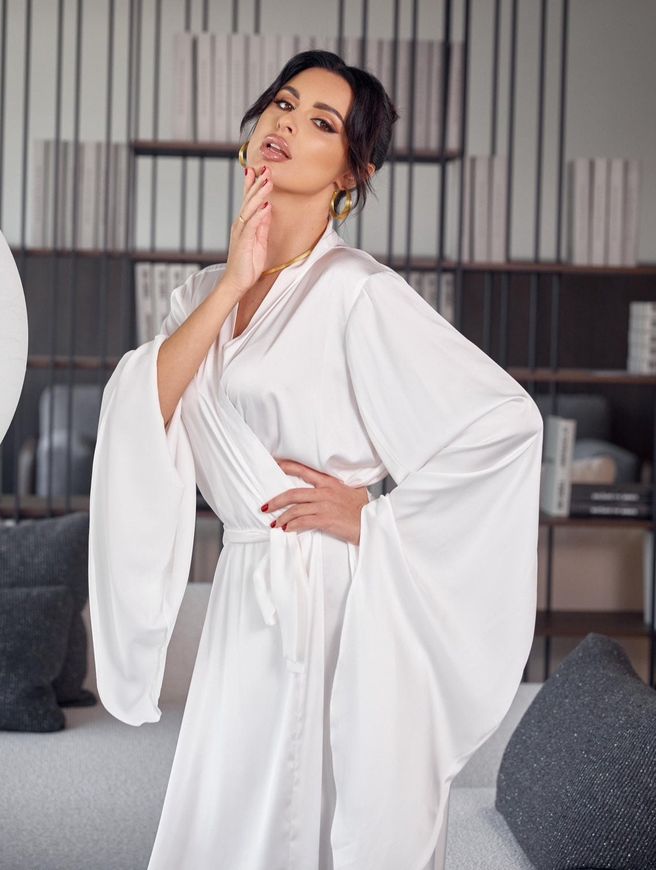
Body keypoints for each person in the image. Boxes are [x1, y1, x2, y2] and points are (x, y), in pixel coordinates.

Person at [88, 50, 544, 870]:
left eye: (322, 123)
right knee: (230, 818)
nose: (289, 125)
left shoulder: (357, 292)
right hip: (243, 594)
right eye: (283, 105)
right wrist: (233, 283)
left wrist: (376, 515)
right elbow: (144, 412)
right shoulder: (198, 295)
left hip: (329, 596)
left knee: (312, 813)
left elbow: (506, 424)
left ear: (352, 170)